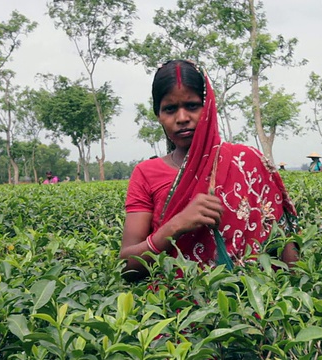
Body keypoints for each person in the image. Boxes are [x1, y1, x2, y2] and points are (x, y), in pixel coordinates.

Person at [120, 60, 299, 281]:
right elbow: (128, 268)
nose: (182, 118)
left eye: (192, 105)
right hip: (176, 307)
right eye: (170, 109)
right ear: (159, 115)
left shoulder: (248, 160)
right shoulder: (146, 173)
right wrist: (176, 225)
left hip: (254, 303)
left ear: (209, 107)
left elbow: (286, 247)